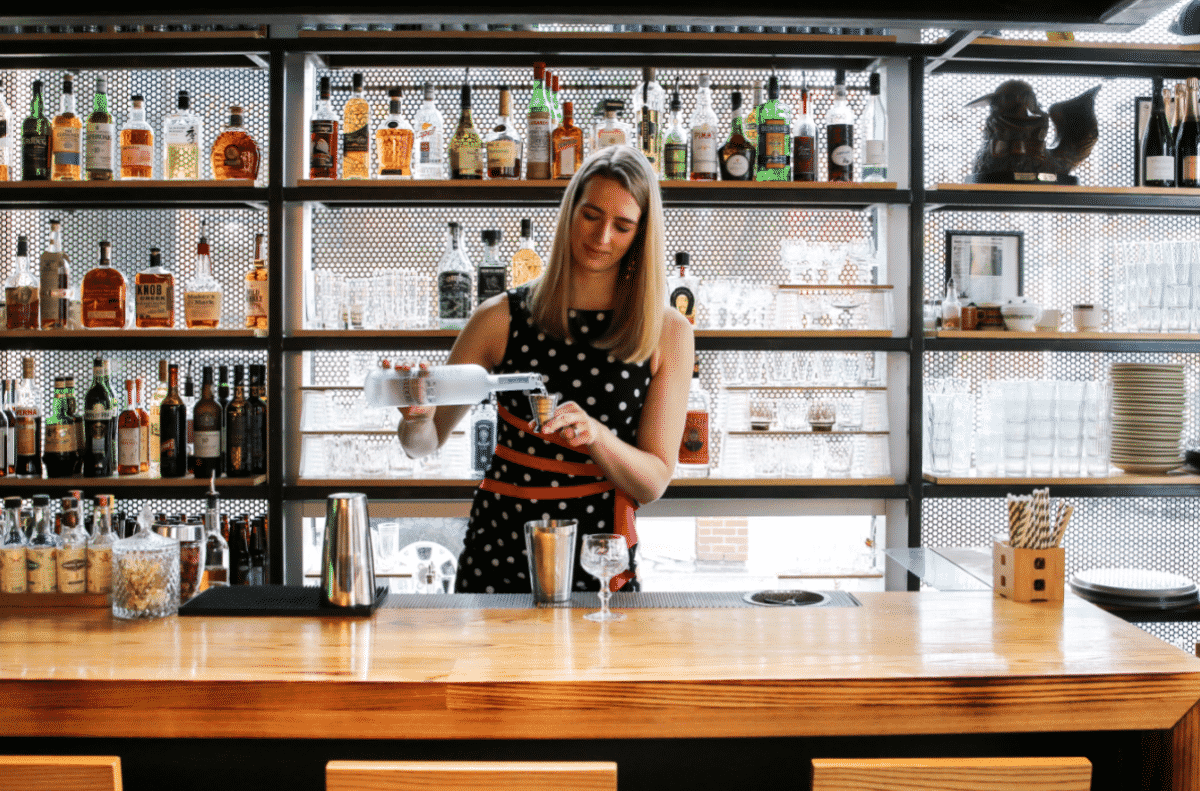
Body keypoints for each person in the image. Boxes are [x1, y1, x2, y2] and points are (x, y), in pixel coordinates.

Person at [397, 145, 694, 594]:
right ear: (569, 211)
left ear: (642, 234)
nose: (602, 237)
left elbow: (653, 481)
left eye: (623, 225)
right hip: (500, 541)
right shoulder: (499, 317)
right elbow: (422, 444)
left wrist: (596, 436)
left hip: (598, 553)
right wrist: (415, 420)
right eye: (591, 215)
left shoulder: (666, 330)